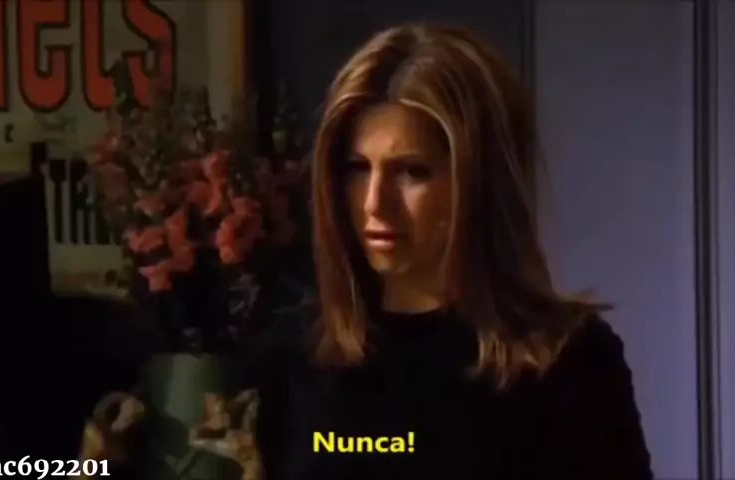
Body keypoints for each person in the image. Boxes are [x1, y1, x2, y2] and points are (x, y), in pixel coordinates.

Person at [84, 23, 653, 480]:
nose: (375, 203)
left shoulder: (567, 363)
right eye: (358, 168)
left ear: (481, 182)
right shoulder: (297, 351)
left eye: (412, 172)